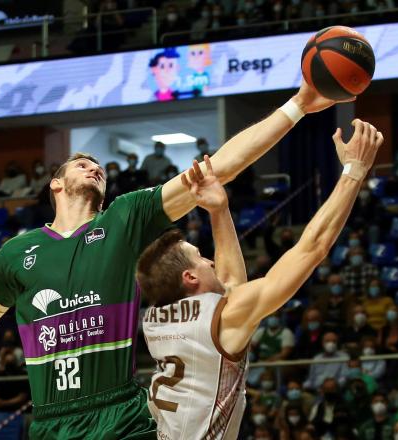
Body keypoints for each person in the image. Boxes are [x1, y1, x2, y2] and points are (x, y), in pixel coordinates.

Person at [0, 81, 361, 439]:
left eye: (97, 164)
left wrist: (298, 105)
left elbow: (220, 167)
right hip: (51, 420)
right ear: (55, 183)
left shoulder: (125, 217)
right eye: (81, 162)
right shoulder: (16, 254)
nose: (93, 165)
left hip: (120, 415)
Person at [141, 121, 382, 438]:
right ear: (189, 277)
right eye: (201, 258)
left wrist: (220, 210)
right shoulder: (225, 316)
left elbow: (229, 288)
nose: (210, 260)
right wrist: (354, 171)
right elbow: (312, 248)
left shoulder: (154, 320)